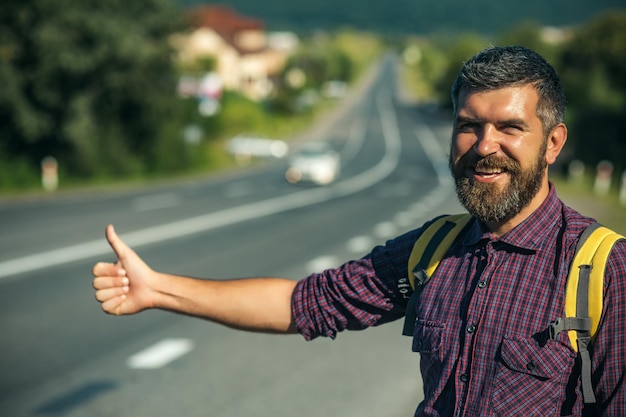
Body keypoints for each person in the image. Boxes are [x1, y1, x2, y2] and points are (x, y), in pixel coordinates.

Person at [92, 45, 626, 416]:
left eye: (510, 128)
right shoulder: (433, 249)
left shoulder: (603, 268)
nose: (485, 145)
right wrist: (157, 289)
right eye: (469, 125)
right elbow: (303, 305)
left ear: (553, 144)